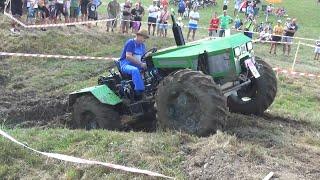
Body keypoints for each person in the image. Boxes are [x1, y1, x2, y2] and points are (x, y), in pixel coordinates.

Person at [119, 29, 149, 100]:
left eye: (145, 38)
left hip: (136, 64)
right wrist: (141, 64)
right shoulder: (131, 43)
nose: (144, 40)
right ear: (138, 36)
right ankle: (140, 93)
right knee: (135, 70)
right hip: (126, 64)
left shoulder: (142, 45)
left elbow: (143, 56)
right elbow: (128, 56)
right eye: (144, 38)